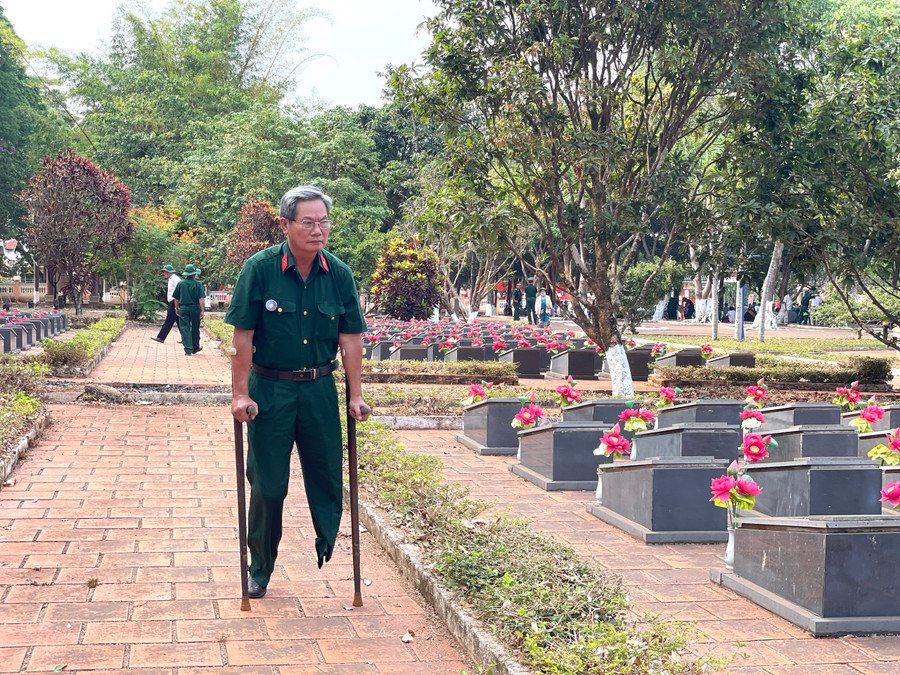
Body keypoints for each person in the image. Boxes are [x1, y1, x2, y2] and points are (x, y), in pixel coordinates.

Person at [224, 185, 370, 600]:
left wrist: (355, 395)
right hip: (269, 390)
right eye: (308, 222)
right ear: (286, 224)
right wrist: (239, 395)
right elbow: (243, 336)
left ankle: (326, 542)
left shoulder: (338, 274)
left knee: (326, 476)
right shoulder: (260, 269)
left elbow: (351, 339)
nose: (318, 229)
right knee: (268, 486)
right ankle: (260, 568)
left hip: (320, 389)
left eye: (324, 221)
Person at [173, 264, 205, 355]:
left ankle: (188, 349)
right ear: (194, 274)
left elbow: (176, 298)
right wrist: (202, 311)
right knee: (195, 327)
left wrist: (177, 308)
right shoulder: (198, 284)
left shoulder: (181, 284)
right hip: (195, 308)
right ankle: (195, 347)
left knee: (184, 328)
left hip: (183, 308)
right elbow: (201, 299)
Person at [151, 265, 181, 344]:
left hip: (175, 301)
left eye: (165, 272)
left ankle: (161, 337)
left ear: (168, 272)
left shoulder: (175, 279)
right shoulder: (171, 279)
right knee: (179, 321)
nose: (164, 273)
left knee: (169, 320)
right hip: (172, 301)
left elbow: (179, 291)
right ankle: (186, 338)